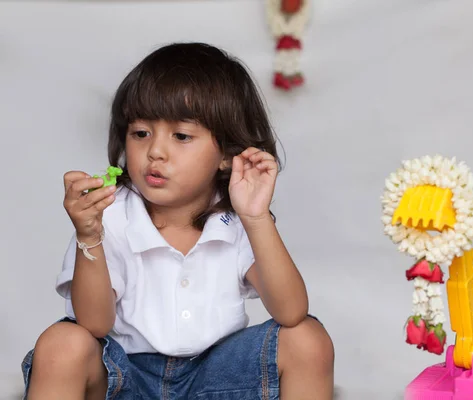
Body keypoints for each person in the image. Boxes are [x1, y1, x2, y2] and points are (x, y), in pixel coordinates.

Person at [21, 42, 334, 400]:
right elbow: (94, 325)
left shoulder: (237, 219)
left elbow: (291, 311)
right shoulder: (108, 213)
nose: (155, 151)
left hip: (216, 381)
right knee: (63, 344)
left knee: (308, 338)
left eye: (181, 136)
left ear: (227, 155)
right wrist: (89, 236)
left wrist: (257, 217)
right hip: (127, 380)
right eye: (141, 133)